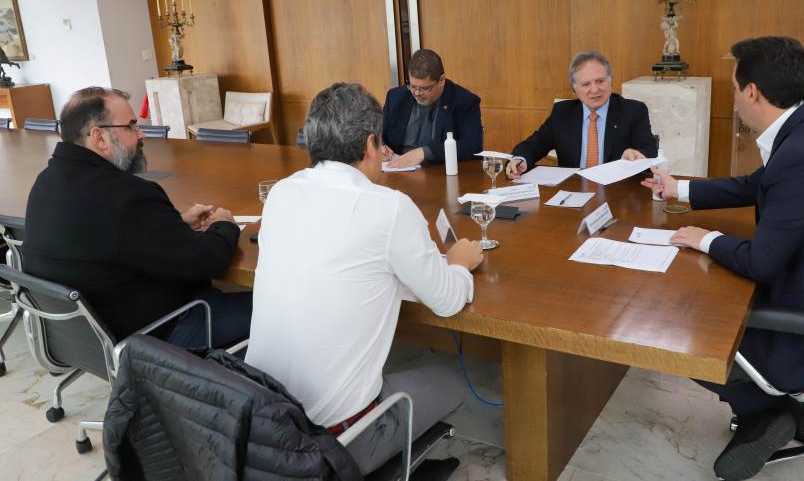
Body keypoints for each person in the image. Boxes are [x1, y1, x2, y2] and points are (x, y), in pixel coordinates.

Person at [642, 36, 804, 481]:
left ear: (753, 91)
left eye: (735, 89)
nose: (735, 98)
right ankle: (778, 414)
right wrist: (679, 189)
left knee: (679, 329)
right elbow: (756, 184)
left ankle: (773, 410)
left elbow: (761, 262)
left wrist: (704, 239)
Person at [245, 82, 484, 475]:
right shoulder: (389, 208)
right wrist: (458, 263)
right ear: (373, 144)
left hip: (261, 422)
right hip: (330, 446)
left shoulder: (283, 192)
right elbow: (446, 300)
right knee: (450, 383)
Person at [22, 87, 251, 348]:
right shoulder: (128, 197)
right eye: (131, 126)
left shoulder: (46, 182)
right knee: (280, 309)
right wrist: (224, 224)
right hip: (160, 336)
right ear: (99, 137)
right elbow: (209, 261)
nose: (141, 133)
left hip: (89, 344)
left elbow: (109, 237)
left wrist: (172, 223)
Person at [506, 50, 657, 179]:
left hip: (618, 194)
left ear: (611, 80)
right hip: (573, 193)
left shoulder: (633, 111)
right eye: (586, 84)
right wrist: (520, 159)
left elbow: (649, 150)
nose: (595, 89)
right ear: (574, 88)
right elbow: (534, 145)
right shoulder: (562, 112)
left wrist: (636, 154)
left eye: (600, 81)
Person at [382, 49, 483, 168]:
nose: (417, 93)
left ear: (441, 80)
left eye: (424, 88)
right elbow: (377, 132)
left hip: (439, 174)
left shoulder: (464, 101)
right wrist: (380, 146)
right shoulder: (396, 97)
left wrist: (425, 152)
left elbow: (473, 146)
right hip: (396, 170)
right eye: (413, 86)